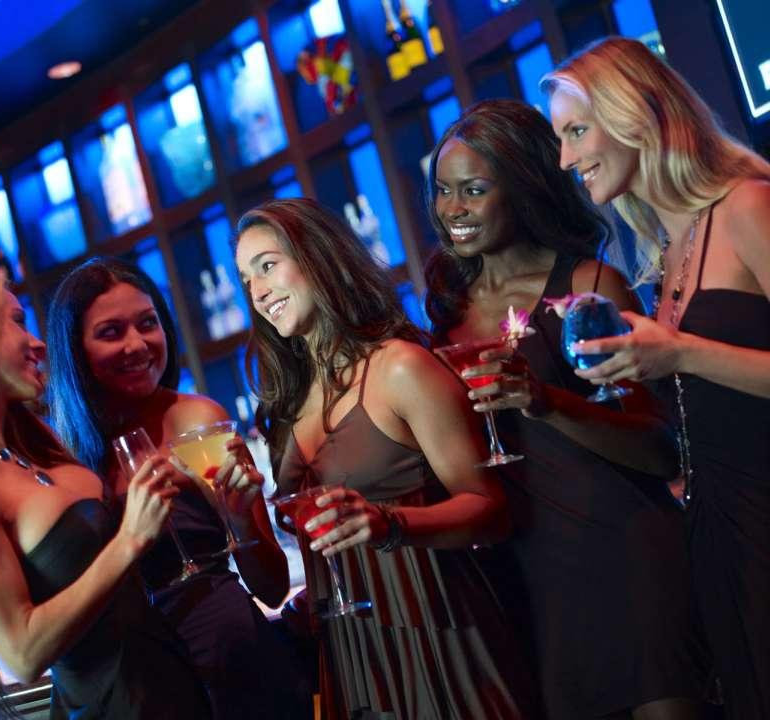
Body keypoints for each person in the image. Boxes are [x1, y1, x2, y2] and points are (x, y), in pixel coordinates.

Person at [424, 99, 706, 719]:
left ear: (525, 188)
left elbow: (661, 449)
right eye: (444, 191)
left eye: (474, 190)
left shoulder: (588, 285)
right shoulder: (444, 314)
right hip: (525, 573)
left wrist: (544, 401)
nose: (454, 210)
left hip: (622, 552)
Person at [235, 197, 535, 720]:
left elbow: (493, 508)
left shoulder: (400, 368)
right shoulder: (284, 409)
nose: (258, 293)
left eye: (267, 266)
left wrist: (388, 523)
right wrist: (236, 513)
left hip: (434, 628)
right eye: (246, 280)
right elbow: (276, 582)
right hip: (349, 651)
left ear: (318, 256)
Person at [543, 37, 770, 719]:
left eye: (576, 131)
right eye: (560, 139)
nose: (565, 158)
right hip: (719, 533)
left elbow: (691, 357)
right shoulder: (666, 255)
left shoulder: (749, 206)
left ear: (634, 113)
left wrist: (679, 353)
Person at [0, 274, 209, 719]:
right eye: (18, 324)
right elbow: (20, 655)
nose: (38, 343)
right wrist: (129, 540)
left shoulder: (33, 441)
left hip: (174, 686)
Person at [45, 256, 310, 720]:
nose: (138, 344)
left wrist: (236, 520)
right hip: (134, 686)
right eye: (111, 332)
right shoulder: (60, 455)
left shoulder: (199, 421)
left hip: (231, 660)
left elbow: (270, 587)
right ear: (75, 350)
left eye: (148, 324)